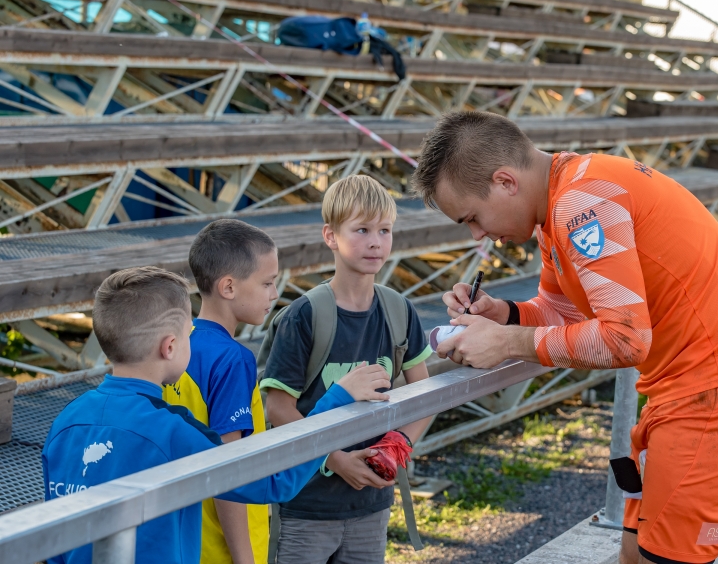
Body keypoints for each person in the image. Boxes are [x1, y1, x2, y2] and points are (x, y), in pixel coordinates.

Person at [411, 111, 718, 564]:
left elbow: (626, 339)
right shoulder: (563, 201)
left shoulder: (579, 206)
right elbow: (560, 312)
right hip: (691, 394)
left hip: (717, 399)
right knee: (635, 554)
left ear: (506, 181)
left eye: (472, 217)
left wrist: (507, 343)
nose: (478, 235)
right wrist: (504, 315)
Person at [41, 266, 391, 564]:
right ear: (170, 346)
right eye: (188, 334)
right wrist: (335, 401)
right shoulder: (171, 432)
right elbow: (275, 482)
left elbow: (53, 538)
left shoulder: (65, 422)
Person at [261, 175, 433, 564]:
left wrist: (395, 447)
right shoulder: (304, 316)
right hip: (306, 506)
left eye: (385, 230)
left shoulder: (399, 311)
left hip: (372, 504)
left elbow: (424, 395)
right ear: (330, 235)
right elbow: (278, 409)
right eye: (361, 229)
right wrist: (335, 460)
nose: (376, 241)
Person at [160, 219, 279, 563]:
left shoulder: (175, 345)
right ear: (228, 287)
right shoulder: (232, 359)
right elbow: (229, 472)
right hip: (223, 547)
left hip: (183, 539)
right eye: (267, 283)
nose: (274, 293)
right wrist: (244, 559)